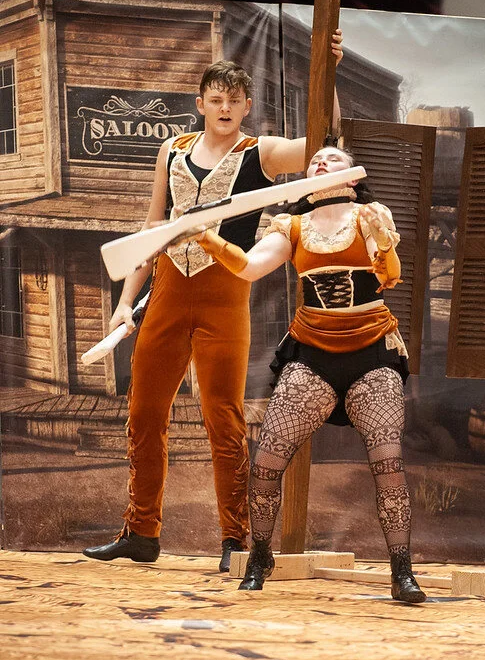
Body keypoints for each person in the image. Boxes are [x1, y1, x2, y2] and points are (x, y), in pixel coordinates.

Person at [83, 30, 345, 573]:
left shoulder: (261, 152)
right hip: (166, 291)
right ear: (200, 104)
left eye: (235, 100)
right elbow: (151, 229)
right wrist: (126, 301)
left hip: (224, 294)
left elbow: (325, 142)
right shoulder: (172, 150)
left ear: (247, 106)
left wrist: (330, 72)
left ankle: (235, 537)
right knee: (143, 414)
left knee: (222, 418)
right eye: (216, 99)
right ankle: (141, 531)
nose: (225, 108)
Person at [188, 145, 425, 602]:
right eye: (315, 159)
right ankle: (260, 556)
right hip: (312, 352)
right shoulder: (292, 226)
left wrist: (384, 244)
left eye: (333, 159)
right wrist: (208, 238)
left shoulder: (369, 216)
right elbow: (249, 268)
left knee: (388, 463)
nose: (320, 162)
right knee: (267, 461)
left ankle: (402, 571)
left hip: (372, 351)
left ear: (352, 176)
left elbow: (389, 276)